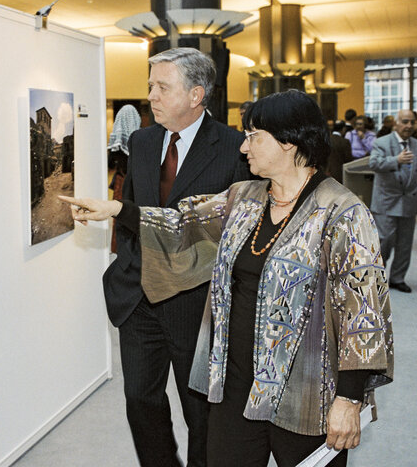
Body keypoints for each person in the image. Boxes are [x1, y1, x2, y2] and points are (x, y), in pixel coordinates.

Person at [61, 89, 393, 467]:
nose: (243, 147)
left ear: (288, 141)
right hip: (235, 384)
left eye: (254, 136)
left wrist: (348, 400)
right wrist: (117, 208)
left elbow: (364, 316)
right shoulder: (244, 197)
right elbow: (182, 223)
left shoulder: (343, 213)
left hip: (307, 392)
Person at [100, 47, 249, 467]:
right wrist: (131, 268)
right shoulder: (142, 141)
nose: (152, 95)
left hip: (196, 304)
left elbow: (232, 232)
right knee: (139, 401)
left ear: (196, 94)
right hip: (139, 298)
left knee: (199, 411)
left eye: (163, 87)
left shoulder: (235, 148)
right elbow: (133, 213)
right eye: (151, 86)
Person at [368, 109, 417, 293]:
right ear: (396, 124)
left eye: (411, 122)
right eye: (405, 122)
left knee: (405, 243)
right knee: (384, 242)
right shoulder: (381, 142)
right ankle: (376, 279)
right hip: (386, 202)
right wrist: (396, 160)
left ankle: (398, 278)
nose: (408, 126)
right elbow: (373, 164)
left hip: (408, 201)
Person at [108, 104, 141, 253]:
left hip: (121, 184)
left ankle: (119, 249)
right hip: (138, 186)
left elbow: (110, 163)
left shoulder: (117, 142)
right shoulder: (143, 141)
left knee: (120, 216)